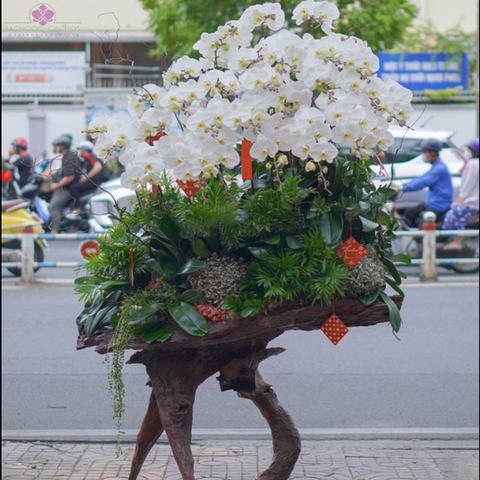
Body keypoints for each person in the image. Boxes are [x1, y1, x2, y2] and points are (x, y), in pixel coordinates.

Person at [393, 138, 453, 228]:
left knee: (422, 224)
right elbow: (421, 178)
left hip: (439, 205)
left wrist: (402, 188)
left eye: (425, 152)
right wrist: (400, 186)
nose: (423, 155)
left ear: (432, 153)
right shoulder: (436, 166)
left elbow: (423, 182)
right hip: (432, 203)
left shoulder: (439, 169)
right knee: (409, 214)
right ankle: (417, 238)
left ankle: (423, 239)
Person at [441, 138, 479, 250]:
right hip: (475, 202)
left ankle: (457, 241)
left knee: (453, 214)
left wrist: (461, 197)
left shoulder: (472, 164)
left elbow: (469, 183)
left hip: (472, 202)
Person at [46, 135, 82, 234]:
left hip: (68, 188)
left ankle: (55, 229)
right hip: (68, 187)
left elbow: (70, 177)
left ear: (62, 146)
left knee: (54, 206)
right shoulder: (68, 156)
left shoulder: (69, 158)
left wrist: (56, 185)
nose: (55, 148)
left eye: (57, 146)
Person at [68, 141, 105, 215]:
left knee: (73, 187)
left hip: (94, 182)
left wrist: (87, 177)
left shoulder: (88, 155)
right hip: (93, 181)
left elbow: (98, 166)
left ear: (84, 149)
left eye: (80, 149)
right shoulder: (86, 158)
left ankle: (77, 209)